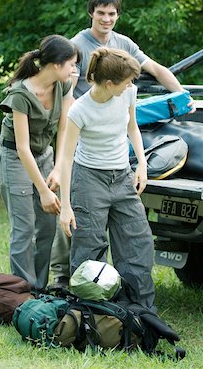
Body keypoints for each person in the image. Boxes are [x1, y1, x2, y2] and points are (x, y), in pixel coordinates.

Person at [51, 0, 195, 287]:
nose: (106, 18)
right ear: (91, 13)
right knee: (80, 223)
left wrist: (182, 96)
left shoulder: (123, 46)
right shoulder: (78, 46)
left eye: (111, 13)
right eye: (101, 13)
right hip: (82, 138)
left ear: (117, 15)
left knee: (126, 227)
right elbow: (67, 104)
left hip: (114, 146)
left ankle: (126, 291)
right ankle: (64, 278)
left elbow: (154, 69)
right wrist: (59, 164)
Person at [60, 47, 155, 309]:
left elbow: (131, 127)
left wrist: (142, 164)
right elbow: (66, 160)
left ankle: (140, 313)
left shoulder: (128, 95)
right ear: (110, 83)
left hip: (122, 176)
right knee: (90, 249)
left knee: (138, 243)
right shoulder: (79, 110)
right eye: (126, 82)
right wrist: (66, 206)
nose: (130, 86)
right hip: (89, 179)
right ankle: (90, 314)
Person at [0, 34, 80, 289]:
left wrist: (57, 167)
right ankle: (22, 293)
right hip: (15, 158)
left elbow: (65, 129)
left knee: (47, 228)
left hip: (45, 155)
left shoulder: (63, 86)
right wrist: (43, 191)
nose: (75, 70)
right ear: (56, 65)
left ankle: (39, 289)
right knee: (24, 229)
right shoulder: (20, 94)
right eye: (72, 64)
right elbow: (22, 148)